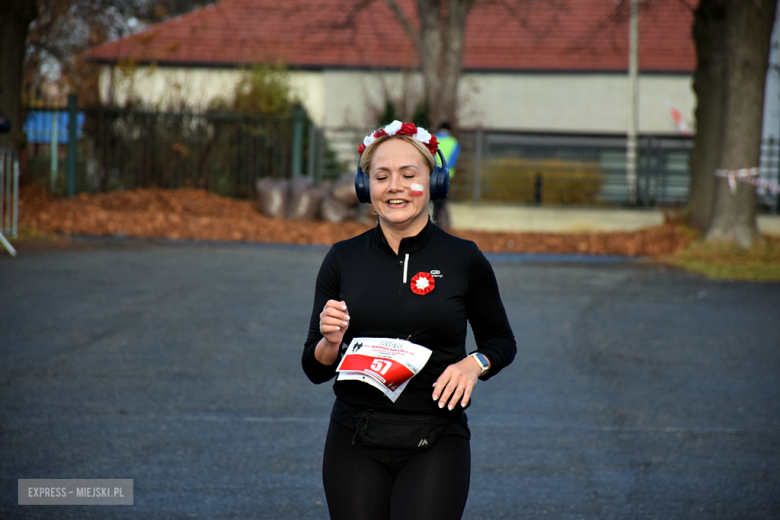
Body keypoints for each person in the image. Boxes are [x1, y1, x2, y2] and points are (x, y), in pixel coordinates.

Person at [302, 120, 516, 520]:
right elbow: (313, 369)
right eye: (381, 176)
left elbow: (501, 341)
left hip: (436, 439)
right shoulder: (342, 259)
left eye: (409, 175)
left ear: (434, 183)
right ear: (366, 187)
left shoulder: (464, 259)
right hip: (353, 439)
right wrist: (329, 343)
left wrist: (474, 364)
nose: (394, 186)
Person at [432, 122, 459, 228]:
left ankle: (435, 221)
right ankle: (441, 223)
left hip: (432, 173)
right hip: (446, 175)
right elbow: (453, 160)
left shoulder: (432, 139)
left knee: (433, 200)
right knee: (442, 200)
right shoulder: (454, 142)